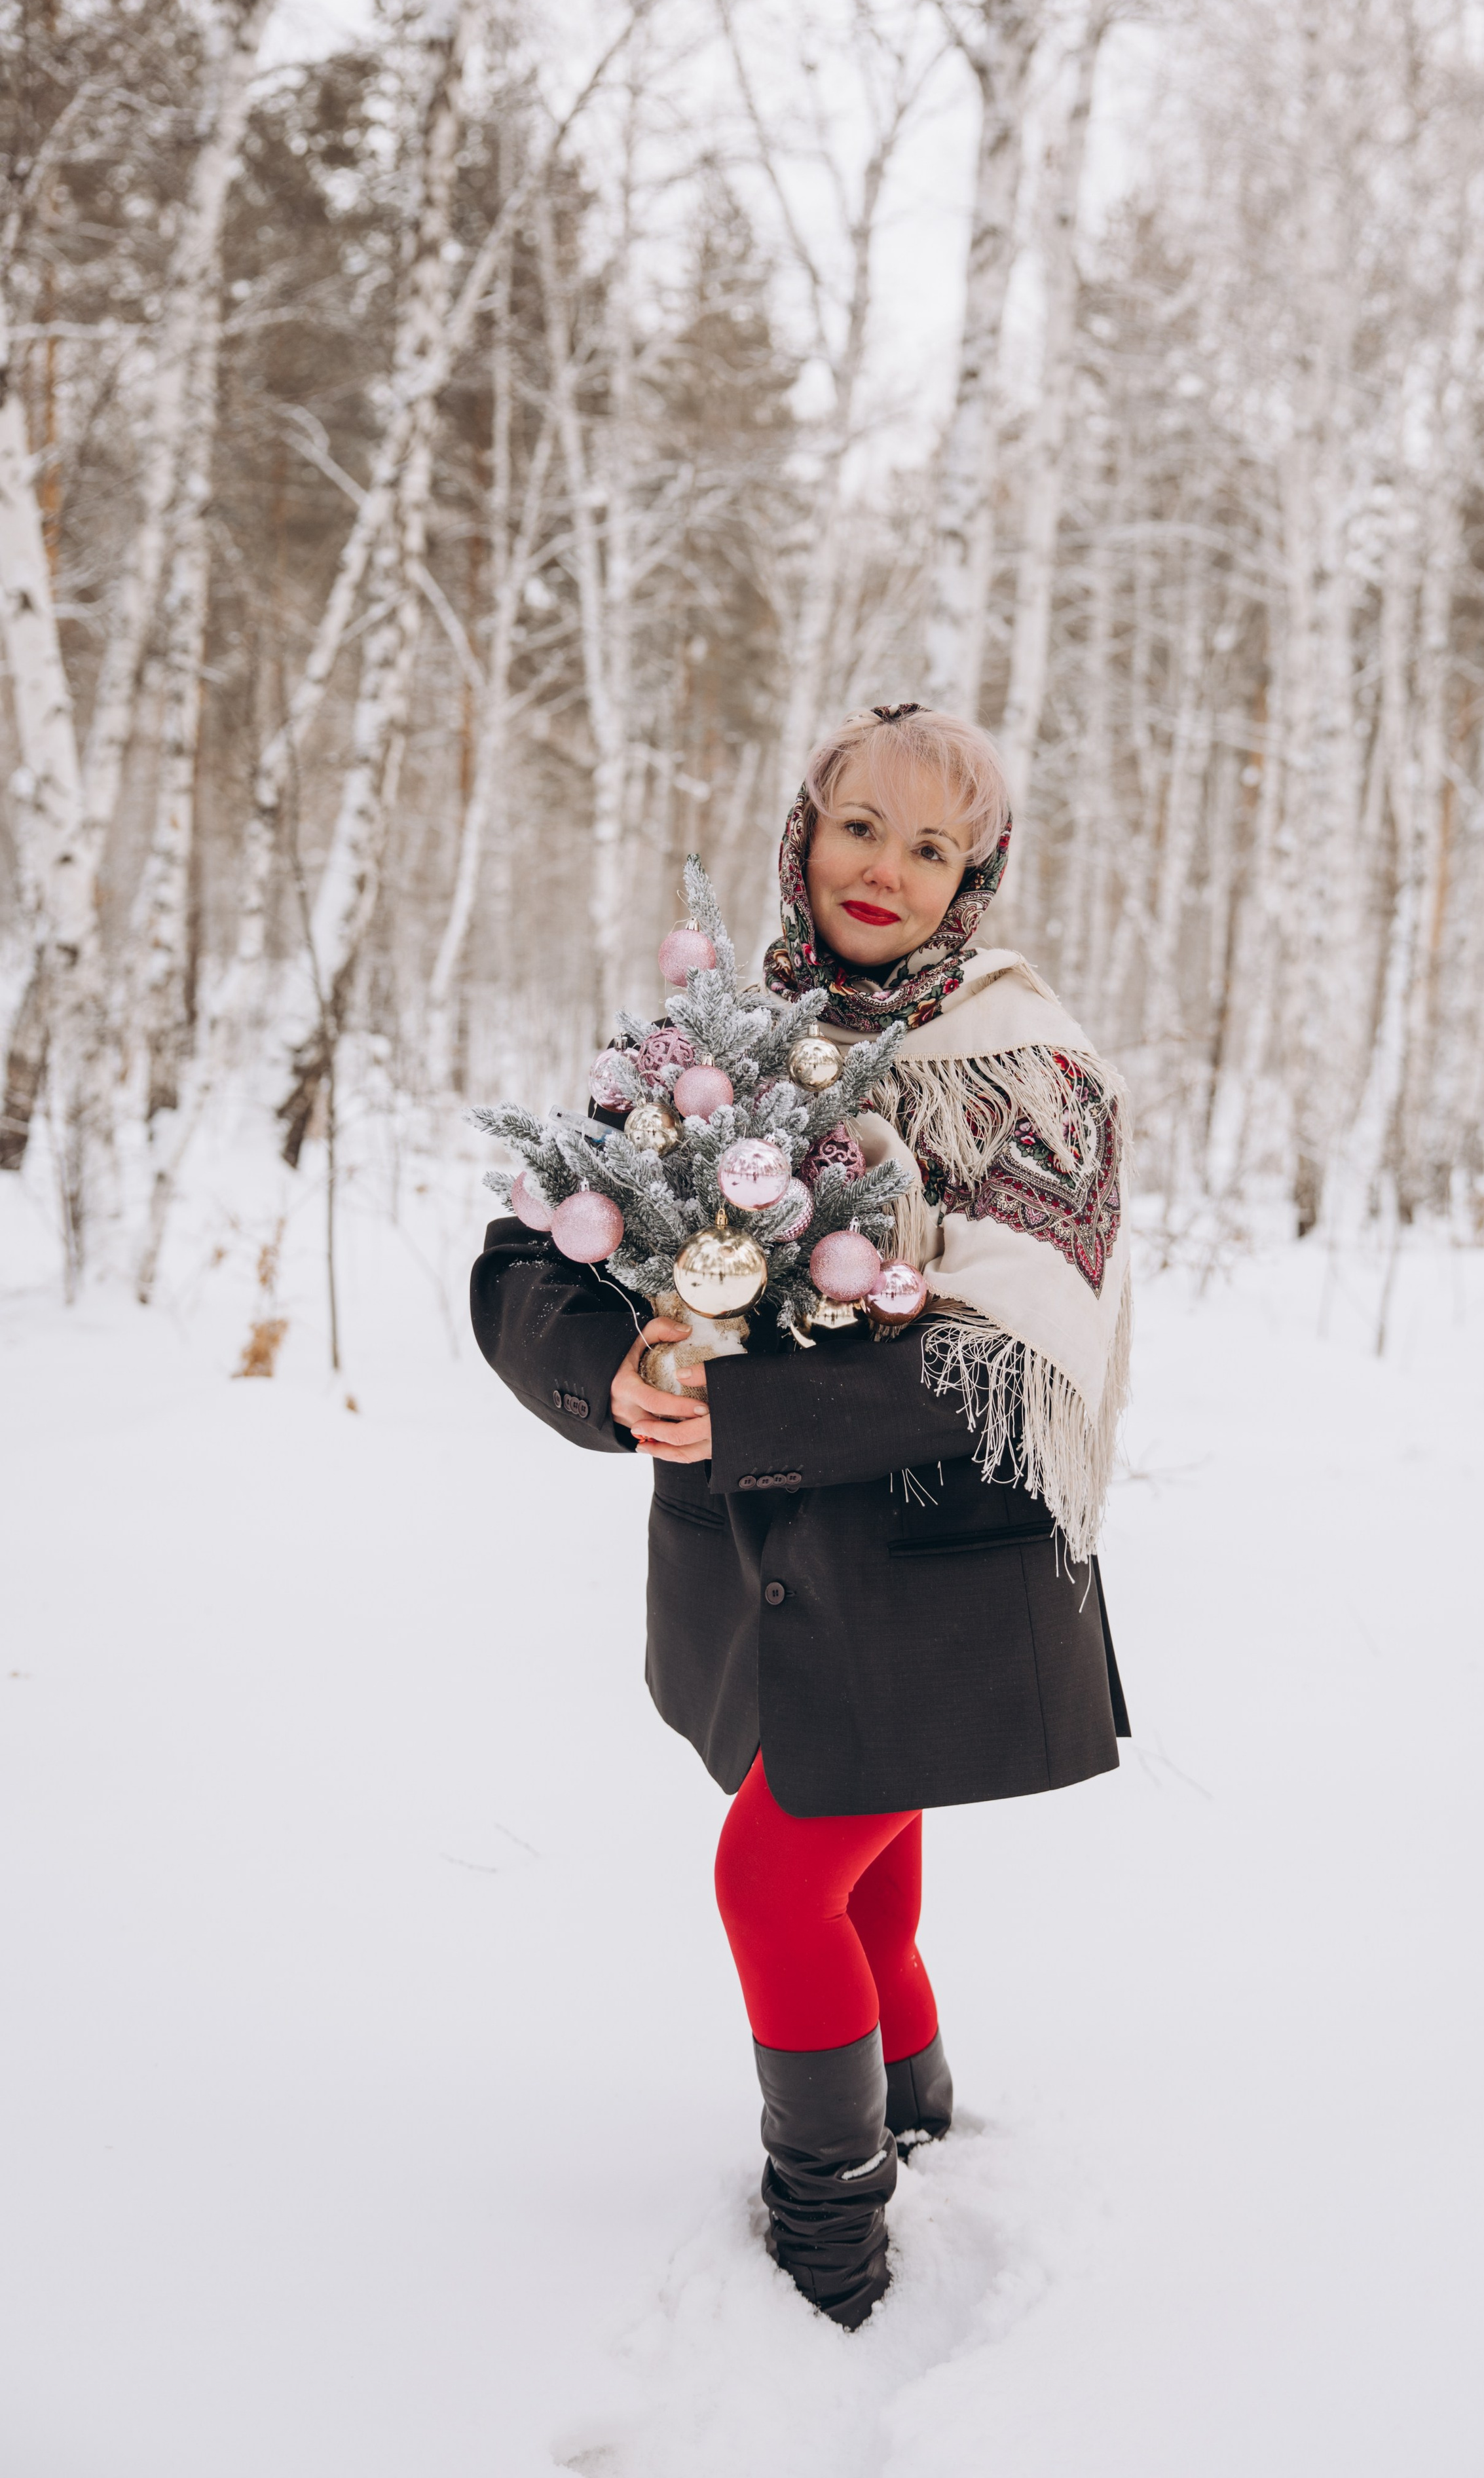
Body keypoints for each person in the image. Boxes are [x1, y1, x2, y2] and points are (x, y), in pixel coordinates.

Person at [470, 703, 1132, 2329]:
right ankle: (912, 2109)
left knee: (776, 1883)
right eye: (859, 829)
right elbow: (532, 1251)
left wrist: (737, 1410)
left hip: (935, 1568)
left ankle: (828, 2239)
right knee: (866, 1873)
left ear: (976, 874)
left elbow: (996, 1364)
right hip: (759, 1562)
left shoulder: (1025, 1069)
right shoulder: (714, 1043)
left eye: (930, 848)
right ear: (802, 830)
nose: (884, 873)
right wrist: (609, 1369)